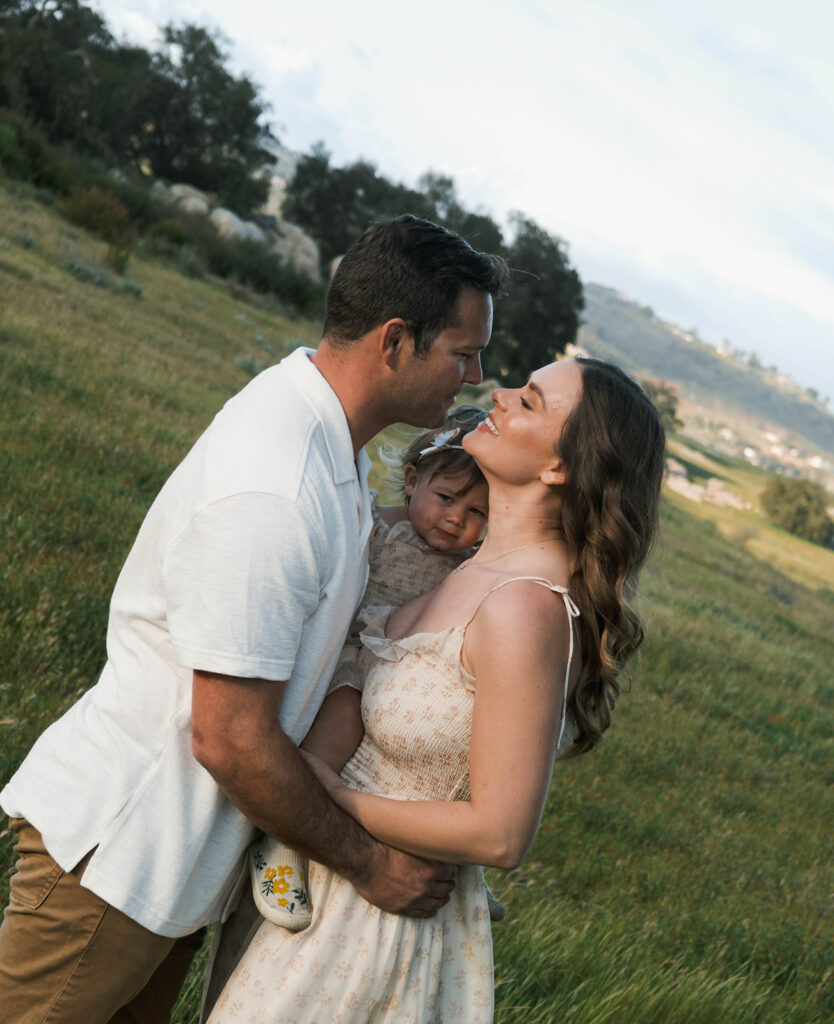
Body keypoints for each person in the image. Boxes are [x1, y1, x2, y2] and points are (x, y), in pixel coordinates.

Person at [0, 215, 506, 1023]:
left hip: (175, 870)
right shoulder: (276, 485)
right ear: (395, 341)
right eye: (463, 351)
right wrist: (369, 863)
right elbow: (228, 736)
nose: (477, 375)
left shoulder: (330, 438)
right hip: (123, 857)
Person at [205, 356, 666, 1023]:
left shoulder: (524, 610)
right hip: (320, 892)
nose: (500, 396)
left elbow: (501, 833)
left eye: (530, 402)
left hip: (369, 929)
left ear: (561, 466)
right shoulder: (468, 566)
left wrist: (330, 796)